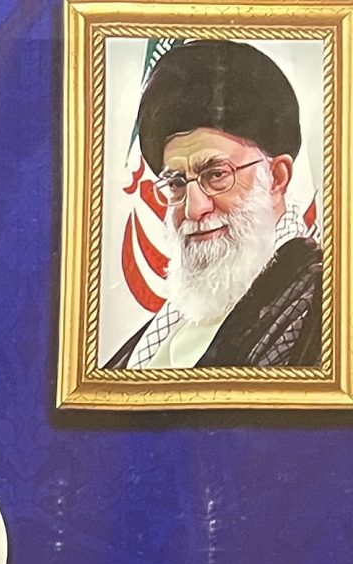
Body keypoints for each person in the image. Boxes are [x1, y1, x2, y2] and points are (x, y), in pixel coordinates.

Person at [107, 40, 322, 369]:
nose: (194, 209)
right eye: (177, 183)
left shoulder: (324, 302)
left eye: (216, 175)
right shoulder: (176, 318)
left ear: (277, 178)